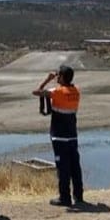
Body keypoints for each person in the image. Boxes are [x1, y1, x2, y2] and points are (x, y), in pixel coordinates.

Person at [32, 64, 84, 207]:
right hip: (72, 135)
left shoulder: (57, 91)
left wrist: (47, 79)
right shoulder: (76, 91)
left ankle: (64, 197)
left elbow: (37, 92)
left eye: (58, 75)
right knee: (75, 167)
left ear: (61, 77)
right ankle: (78, 196)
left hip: (59, 136)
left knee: (63, 168)